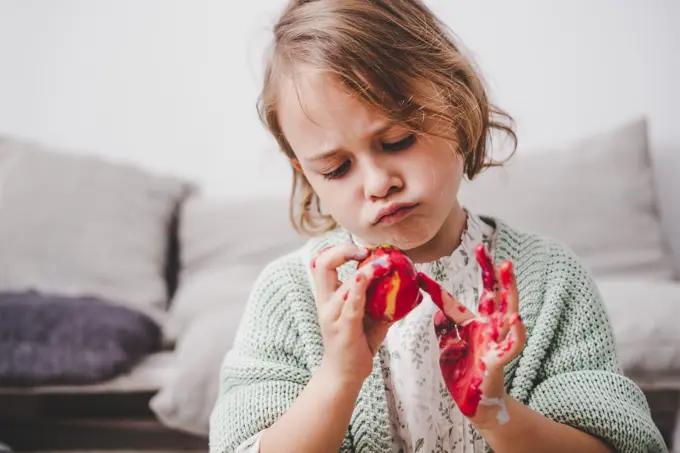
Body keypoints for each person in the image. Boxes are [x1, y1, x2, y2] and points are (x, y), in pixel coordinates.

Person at [209, 1, 666, 452]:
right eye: (335, 168)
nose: (377, 183)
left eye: (397, 140)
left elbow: (622, 444)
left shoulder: (550, 280)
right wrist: (338, 376)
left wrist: (496, 411)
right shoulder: (290, 296)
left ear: (457, 102)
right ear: (305, 173)